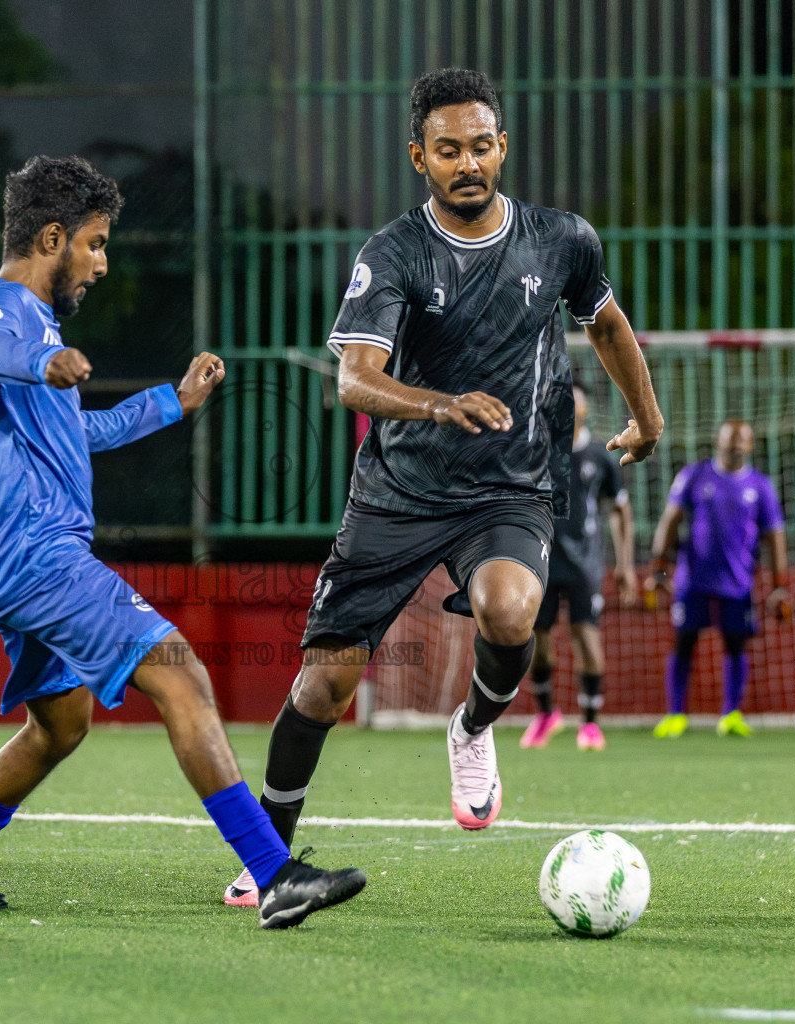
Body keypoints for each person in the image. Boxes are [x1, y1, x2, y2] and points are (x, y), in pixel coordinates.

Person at [224, 68, 663, 906]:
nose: (468, 163)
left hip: (511, 483)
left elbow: (604, 322)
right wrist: (439, 405)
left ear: (504, 147)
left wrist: (649, 419)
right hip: (397, 491)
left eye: (482, 146)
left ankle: (472, 729)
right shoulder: (392, 254)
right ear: (419, 156)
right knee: (324, 685)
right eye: (449, 149)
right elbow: (355, 379)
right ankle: (266, 857)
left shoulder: (562, 239)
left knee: (511, 609)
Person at [0, 156, 364, 930]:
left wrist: (170, 404)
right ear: (52, 236)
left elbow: (80, 433)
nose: (103, 263)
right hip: (36, 556)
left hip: (4, 559)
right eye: (96, 243)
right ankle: (274, 872)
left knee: (60, 726)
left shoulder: (30, 323)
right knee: (183, 677)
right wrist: (43, 360)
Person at [645, 419, 789, 738]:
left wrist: (781, 586)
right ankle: (676, 714)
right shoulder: (695, 476)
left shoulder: (760, 487)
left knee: (736, 646)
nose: (735, 445)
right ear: (718, 442)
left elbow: (775, 536)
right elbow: (670, 520)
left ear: (750, 445)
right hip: (692, 582)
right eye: (730, 440)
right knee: (683, 643)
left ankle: (731, 714)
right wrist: (658, 566)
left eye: (742, 440)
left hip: (737, 584)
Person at [521, 377, 638, 752]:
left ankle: (589, 725)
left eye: (578, 401)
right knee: (539, 641)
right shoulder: (539, 450)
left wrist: (625, 565)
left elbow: (620, 511)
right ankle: (546, 715)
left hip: (585, 563)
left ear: (587, 409)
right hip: (543, 559)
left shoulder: (602, 456)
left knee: (586, 638)